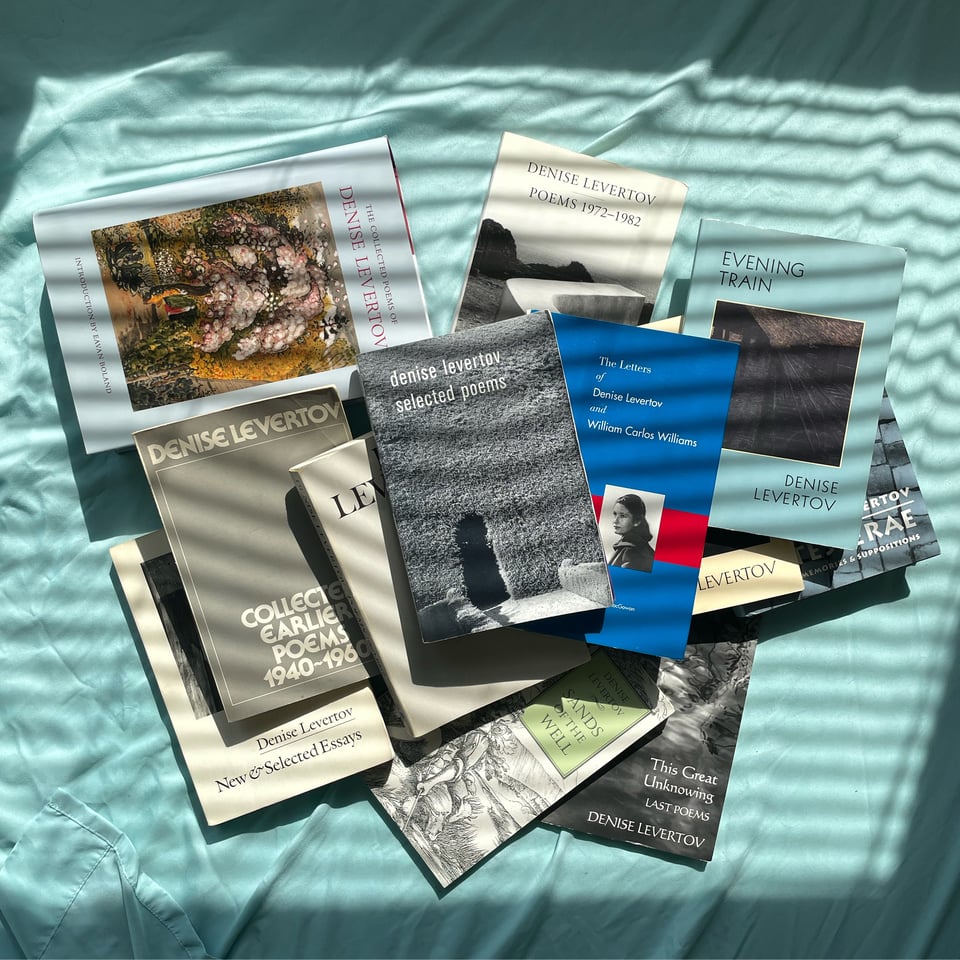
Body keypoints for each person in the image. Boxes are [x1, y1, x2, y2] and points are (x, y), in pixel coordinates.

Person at [608, 494, 655, 572]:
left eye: (622, 516)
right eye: (615, 514)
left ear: (637, 521)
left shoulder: (632, 551)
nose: (615, 521)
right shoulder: (630, 547)